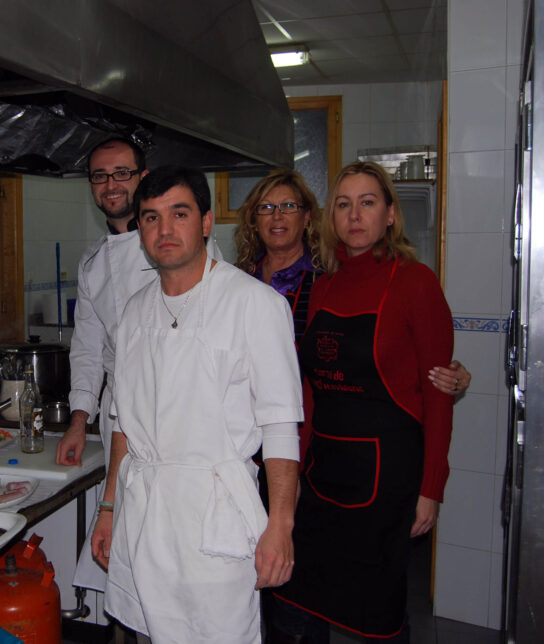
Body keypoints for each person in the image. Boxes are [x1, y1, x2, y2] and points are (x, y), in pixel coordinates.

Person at [90, 166, 303, 643]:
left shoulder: (255, 304)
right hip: (144, 515)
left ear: (206, 222)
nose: (164, 230)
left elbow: (281, 425)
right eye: (150, 218)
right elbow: (123, 424)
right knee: (149, 633)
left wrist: (281, 525)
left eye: (179, 214)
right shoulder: (133, 314)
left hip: (215, 516)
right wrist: (108, 508)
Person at [272, 162, 455, 643]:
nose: (355, 216)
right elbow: (311, 389)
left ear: (390, 215)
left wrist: (431, 488)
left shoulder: (416, 282)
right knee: (295, 595)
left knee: (377, 615)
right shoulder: (325, 283)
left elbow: (438, 395)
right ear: (331, 216)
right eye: (344, 204)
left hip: (386, 479)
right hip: (322, 470)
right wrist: (296, 463)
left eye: (368, 203)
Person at [56, 138, 223, 592]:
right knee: (124, 555)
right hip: (120, 420)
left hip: (181, 419)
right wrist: (78, 421)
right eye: (100, 176)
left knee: (176, 559)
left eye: (122, 173)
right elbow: (88, 350)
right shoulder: (93, 263)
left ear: (142, 177)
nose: (111, 185)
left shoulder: (183, 248)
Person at [234, 167, 471, 393]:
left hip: (305, 418)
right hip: (243, 416)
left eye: (288, 206)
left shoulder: (328, 279)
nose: (277, 216)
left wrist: (451, 375)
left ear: (307, 217)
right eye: (265, 207)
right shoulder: (237, 281)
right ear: (254, 220)